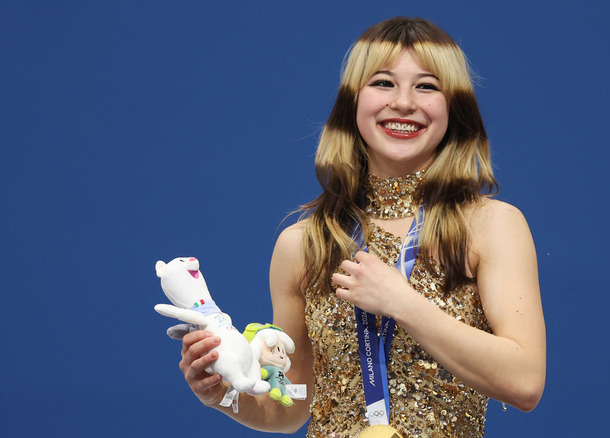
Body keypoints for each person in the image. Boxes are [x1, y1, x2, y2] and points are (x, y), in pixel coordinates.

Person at [177, 16, 546, 437]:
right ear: (353, 102)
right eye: (383, 83)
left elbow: (525, 382)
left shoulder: (491, 225)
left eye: (427, 86)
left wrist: (402, 303)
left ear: (454, 106)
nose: (404, 102)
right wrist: (224, 393)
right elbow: (294, 403)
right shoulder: (304, 244)